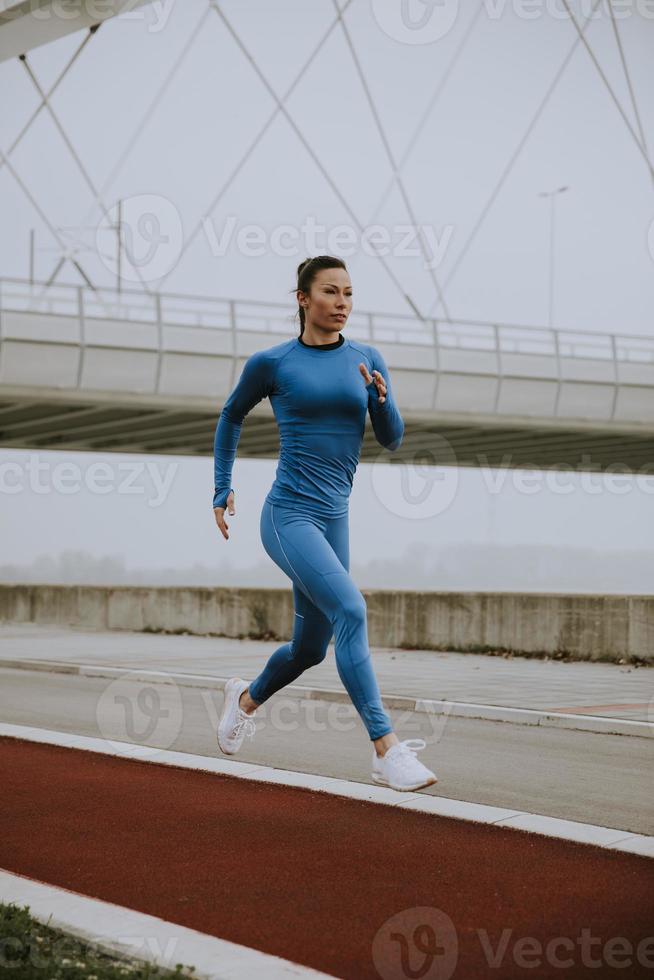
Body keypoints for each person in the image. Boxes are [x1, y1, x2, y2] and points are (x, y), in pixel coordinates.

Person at [212, 255, 437, 792]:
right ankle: (386, 749)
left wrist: (381, 401)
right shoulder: (273, 363)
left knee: (310, 648)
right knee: (351, 609)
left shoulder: (366, 358)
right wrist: (223, 485)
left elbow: (392, 438)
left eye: (349, 294)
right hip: (288, 515)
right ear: (302, 299)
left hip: (336, 519)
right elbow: (231, 415)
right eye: (331, 292)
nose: (342, 303)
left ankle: (243, 700)